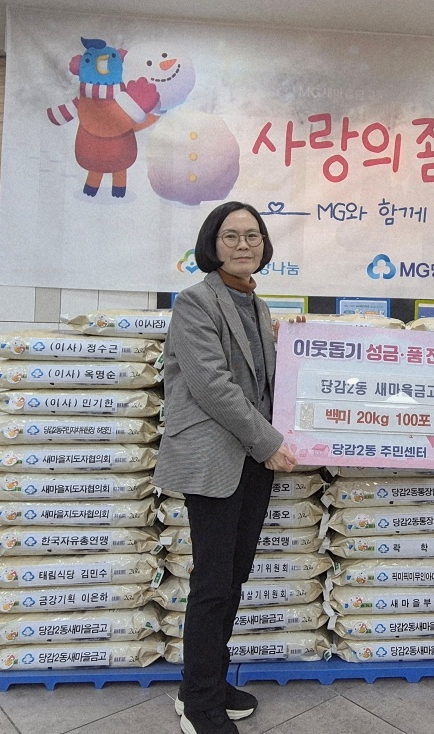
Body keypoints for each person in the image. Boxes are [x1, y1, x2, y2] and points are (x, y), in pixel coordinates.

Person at [153, 201, 297, 734]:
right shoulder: (195, 302)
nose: (243, 245)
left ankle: (209, 680)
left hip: (252, 460)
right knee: (213, 582)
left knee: (233, 577)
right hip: (216, 459)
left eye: (252, 236)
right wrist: (268, 443)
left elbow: (262, 380)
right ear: (212, 244)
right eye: (231, 236)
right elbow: (214, 386)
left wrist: (296, 348)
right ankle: (198, 702)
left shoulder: (256, 304)